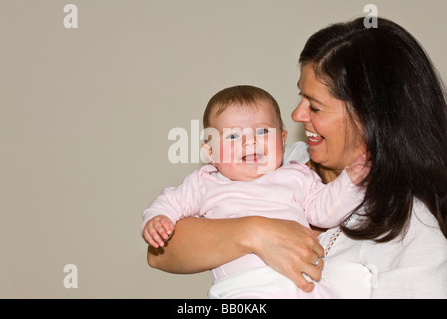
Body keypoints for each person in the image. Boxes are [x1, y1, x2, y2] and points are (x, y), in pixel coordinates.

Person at [146, 17, 447, 298]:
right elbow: (161, 252)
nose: (296, 115)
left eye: (314, 107)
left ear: (369, 115)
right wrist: (253, 232)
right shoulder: (284, 162)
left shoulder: (414, 234)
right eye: (300, 97)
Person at [142, 85, 368, 298]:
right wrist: (158, 219)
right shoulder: (205, 182)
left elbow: (324, 210)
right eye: (232, 136)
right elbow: (171, 202)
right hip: (244, 287)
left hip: (302, 283)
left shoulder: (297, 175)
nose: (249, 142)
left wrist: (351, 180)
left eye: (261, 132)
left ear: (282, 140)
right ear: (210, 153)